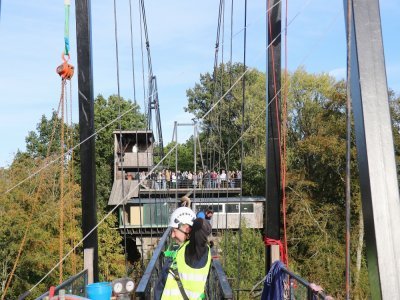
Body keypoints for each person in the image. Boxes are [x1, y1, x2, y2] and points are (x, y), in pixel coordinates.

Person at [155, 207, 212, 300]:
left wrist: (196, 222)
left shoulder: (194, 252)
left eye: (174, 231)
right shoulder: (184, 249)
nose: (172, 235)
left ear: (187, 229)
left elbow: (202, 228)